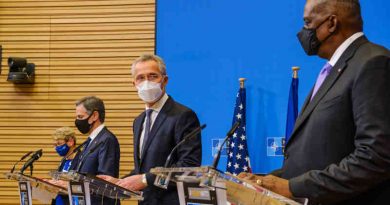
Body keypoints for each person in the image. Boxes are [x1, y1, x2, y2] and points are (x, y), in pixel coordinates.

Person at [239, 1, 390, 205]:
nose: (304, 31)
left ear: (331, 24)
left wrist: (292, 187)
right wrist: (264, 180)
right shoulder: (333, 69)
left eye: (308, 22)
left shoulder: (372, 63)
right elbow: (318, 155)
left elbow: (375, 157)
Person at [99, 54, 202, 205]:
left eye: (153, 76)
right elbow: (144, 168)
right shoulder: (138, 121)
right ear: (134, 83)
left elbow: (189, 166)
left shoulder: (183, 115)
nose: (146, 82)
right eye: (140, 77)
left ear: (165, 80)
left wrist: (145, 179)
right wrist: (120, 182)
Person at [70, 96, 121, 204]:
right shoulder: (90, 141)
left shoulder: (107, 139)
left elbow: (104, 179)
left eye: (80, 117)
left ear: (94, 116)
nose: (77, 121)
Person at [51, 127, 77, 205]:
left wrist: (65, 185)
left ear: (71, 141)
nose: (56, 148)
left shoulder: (80, 160)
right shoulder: (63, 161)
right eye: (55, 145)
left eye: (59, 144)